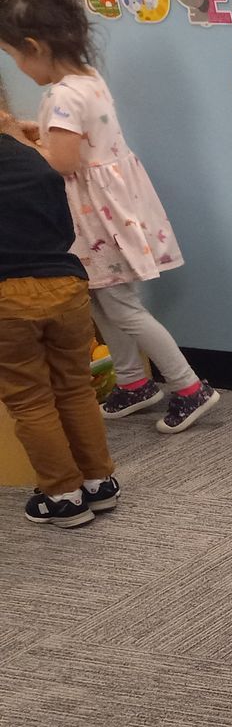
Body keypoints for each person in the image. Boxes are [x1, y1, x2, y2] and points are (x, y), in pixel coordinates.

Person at [0, 0, 219, 435]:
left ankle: (187, 386)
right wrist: (38, 134)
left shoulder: (62, 97)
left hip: (95, 219)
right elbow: (75, 143)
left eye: (15, 56)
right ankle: (134, 382)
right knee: (103, 304)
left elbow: (60, 162)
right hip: (109, 211)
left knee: (121, 308)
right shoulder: (87, 79)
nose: (16, 66)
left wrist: (16, 140)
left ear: (35, 48)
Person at [0, 76, 119, 527]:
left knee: (31, 400)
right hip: (67, 286)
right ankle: (98, 483)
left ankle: (62, 495)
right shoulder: (33, 160)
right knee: (74, 387)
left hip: (9, 297)